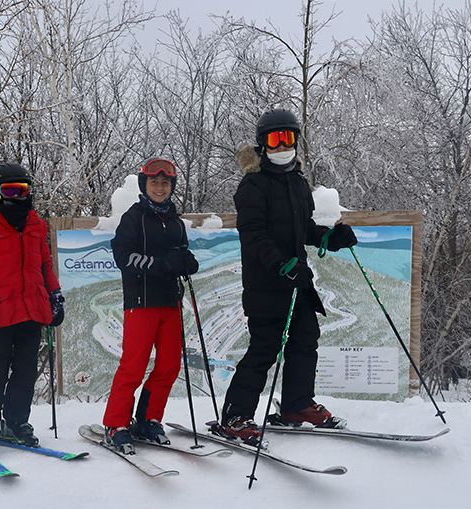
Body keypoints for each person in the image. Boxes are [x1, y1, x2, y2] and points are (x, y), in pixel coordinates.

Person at [217, 108, 358, 446]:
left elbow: (302, 229)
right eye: (274, 139)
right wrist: (282, 264)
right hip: (267, 285)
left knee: (305, 341)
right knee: (264, 349)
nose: (282, 146)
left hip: (298, 282)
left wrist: (328, 238)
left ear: (296, 140)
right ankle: (236, 416)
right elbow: (252, 235)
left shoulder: (297, 182)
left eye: (288, 138)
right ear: (262, 145)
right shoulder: (253, 185)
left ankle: (297, 405)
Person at [0, 162, 65, 458]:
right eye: (10, 190)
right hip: (0, 312)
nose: (18, 196)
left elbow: (45, 265)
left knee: (26, 370)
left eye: (22, 190)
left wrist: (55, 295)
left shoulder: (38, 225)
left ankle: (15, 423)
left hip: (33, 310)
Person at [102, 157, 199, 454]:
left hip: (170, 303)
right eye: (154, 182)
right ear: (145, 185)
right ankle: (115, 423)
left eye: (165, 182)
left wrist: (187, 262)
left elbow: (180, 254)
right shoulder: (134, 217)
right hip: (141, 303)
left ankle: (147, 419)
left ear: (172, 187)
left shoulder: (175, 222)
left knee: (169, 365)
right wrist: (161, 264)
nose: (160, 187)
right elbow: (123, 257)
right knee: (133, 366)